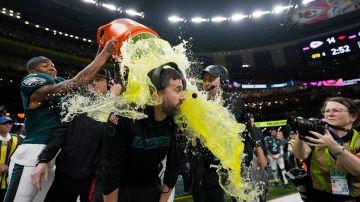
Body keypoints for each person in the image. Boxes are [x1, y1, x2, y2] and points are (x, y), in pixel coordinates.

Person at [4, 39, 116, 202]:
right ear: (32, 71)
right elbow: (77, 81)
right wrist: (105, 53)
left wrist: (102, 48)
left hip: (55, 153)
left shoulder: (61, 83)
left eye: (53, 65)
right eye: (44, 65)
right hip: (34, 150)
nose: (51, 67)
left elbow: (86, 80)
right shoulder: (32, 83)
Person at [30, 69, 121, 202]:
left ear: (109, 83)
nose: (93, 83)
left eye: (98, 79)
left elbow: (112, 133)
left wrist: (113, 98)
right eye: (90, 80)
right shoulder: (76, 103)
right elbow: (60, 133)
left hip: (95, 178)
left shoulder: (117, 106)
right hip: (66, 173)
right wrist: (44, 159)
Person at [102, 62, 186, 202]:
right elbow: (111, 171)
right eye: (177, 90)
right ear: (155, 94)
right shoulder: (124, 116)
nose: (183, 97)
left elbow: (173, 167)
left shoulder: (179, 123)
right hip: (118, 184)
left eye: (182, 90)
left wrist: (163, 200)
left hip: (149, 182)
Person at [191, 65, 267, 202]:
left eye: (212, 79)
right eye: (205, 80)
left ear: (223, 80)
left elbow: (248, 128)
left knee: (242, 197)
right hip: (210, 164)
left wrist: (260, 153)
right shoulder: (199, 103)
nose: (207, 83)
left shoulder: (235, 101)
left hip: (234, 162)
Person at [293, 97, 360, 201]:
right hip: (320, 197)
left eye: (336, 110)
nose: (330, 114)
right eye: (326, 111)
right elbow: (300, 155)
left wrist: (333, 147)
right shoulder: (315, 136)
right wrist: (301, 133)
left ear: (353, 116)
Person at [0, 116, 21, 202]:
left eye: (10, 123)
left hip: (7, 182)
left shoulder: (17, 139)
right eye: (5, 123)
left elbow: (22, 157)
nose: (8, 125)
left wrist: (10, 167)